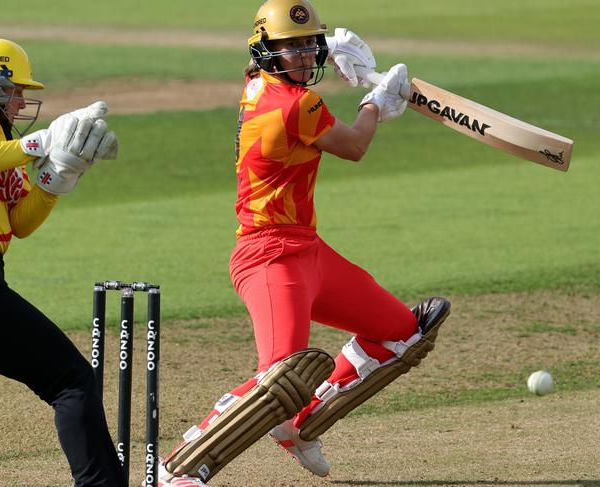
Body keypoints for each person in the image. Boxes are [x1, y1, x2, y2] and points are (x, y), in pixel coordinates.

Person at [157, 1, 451, 485]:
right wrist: (377, 100)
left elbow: (269, 67)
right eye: (288, 47)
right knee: (279, 379)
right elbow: (355, 146)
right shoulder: (296, 104)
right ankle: (181, 470)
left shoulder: (256, 85)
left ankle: (300, 426)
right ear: (267, 51)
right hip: (269, 257)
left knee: (402, 333)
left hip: (308, 249)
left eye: (307, 44)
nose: (300, 55)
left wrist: (328, 47)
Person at [0, 38, 124, 486]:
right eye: (15, 90)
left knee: (68, 380)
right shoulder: (5, 144)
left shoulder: (3, 139)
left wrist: (57, 176)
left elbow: (21, 223)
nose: (23, 100)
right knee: (71, 381)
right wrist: (41, 141)